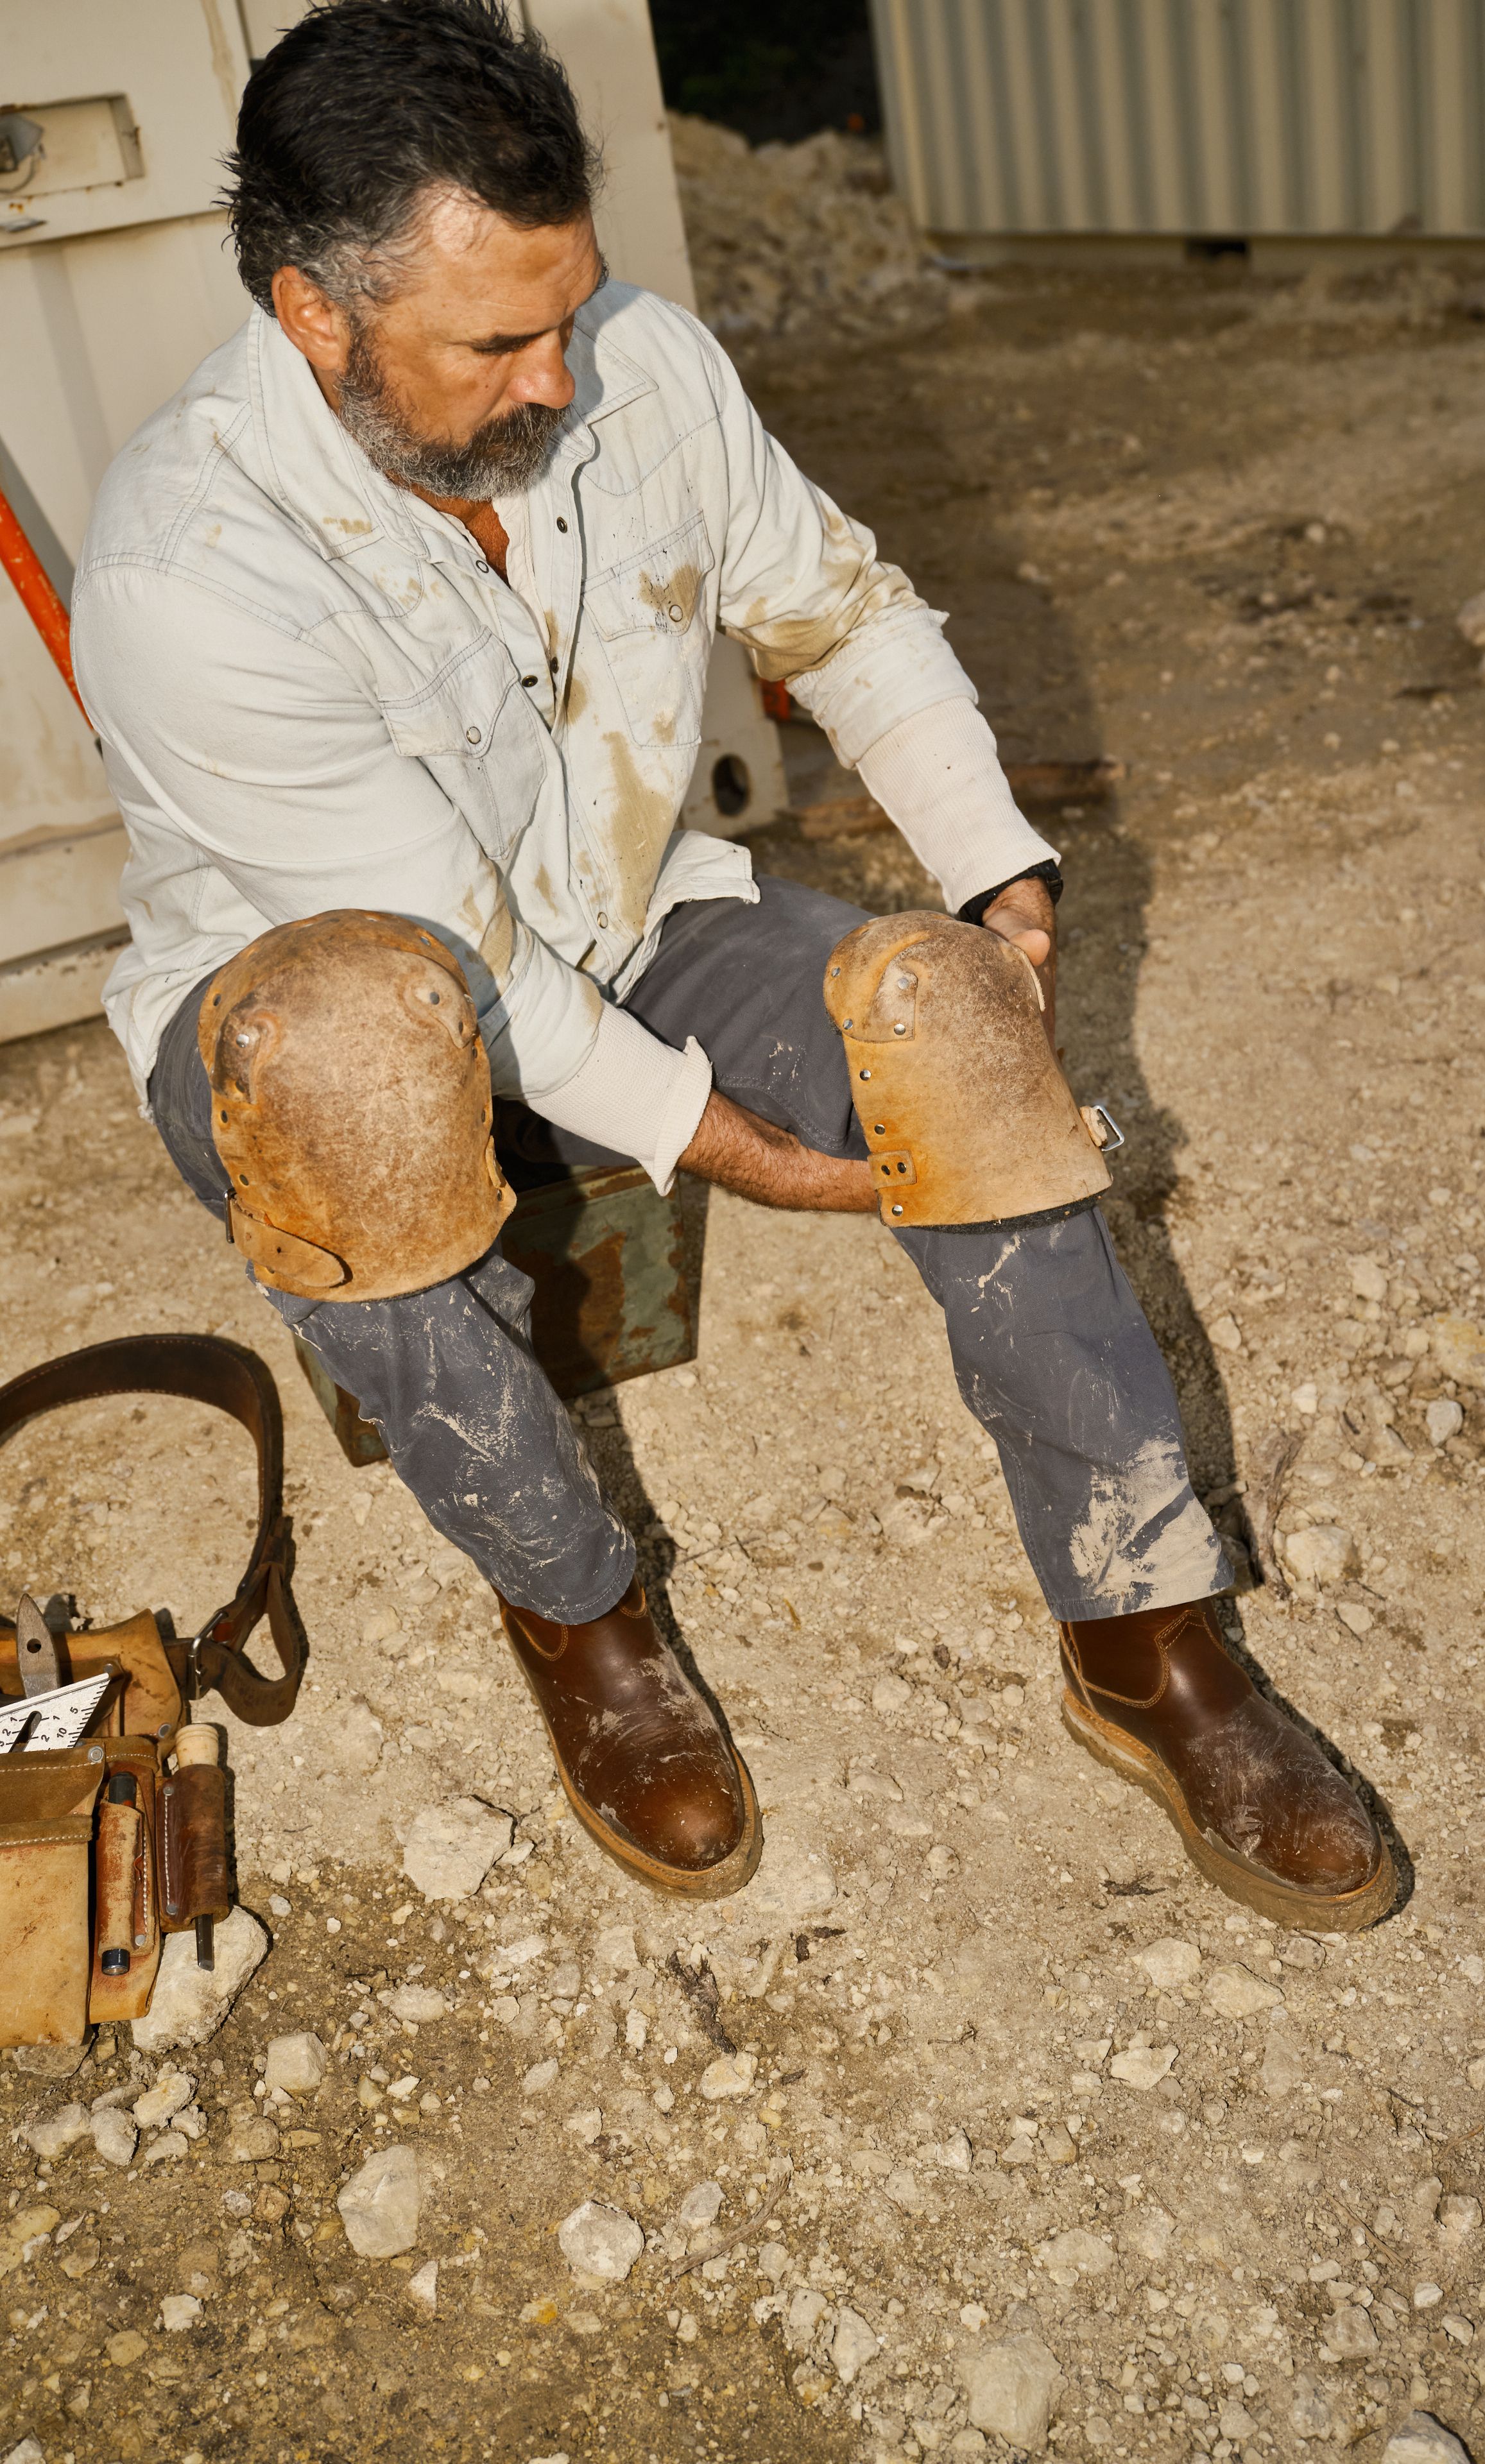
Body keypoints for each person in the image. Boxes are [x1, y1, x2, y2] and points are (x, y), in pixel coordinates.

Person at [72, 0, 1391, 1928]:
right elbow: (481, 973)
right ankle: (583, 1618)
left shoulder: (640, 368)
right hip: (310, 1002)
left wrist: (997, 881)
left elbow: (841, 614)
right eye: (495, 344)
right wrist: (742, 1152)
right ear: (315, 317)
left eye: (571, 308)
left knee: (945, 1022)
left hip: (628, 914)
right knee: (364, 1059)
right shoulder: (191, 564)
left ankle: (1150, 1643)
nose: (557, 377)